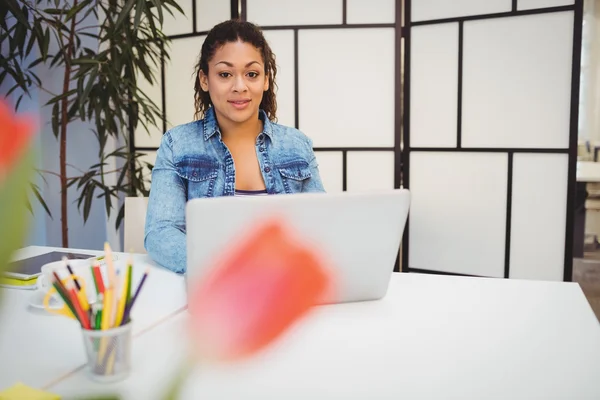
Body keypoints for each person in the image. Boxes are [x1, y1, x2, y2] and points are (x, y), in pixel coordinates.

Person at [144, 19, 325, 274]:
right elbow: (160, 232)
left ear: (265, 80)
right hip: (210, 292)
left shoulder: (298, 146)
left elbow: (320, 229)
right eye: (225, 74)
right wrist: (221, 269)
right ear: (205, 80)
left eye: (251, 74)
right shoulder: (177, 144)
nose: (240, 86)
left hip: (282, 289)